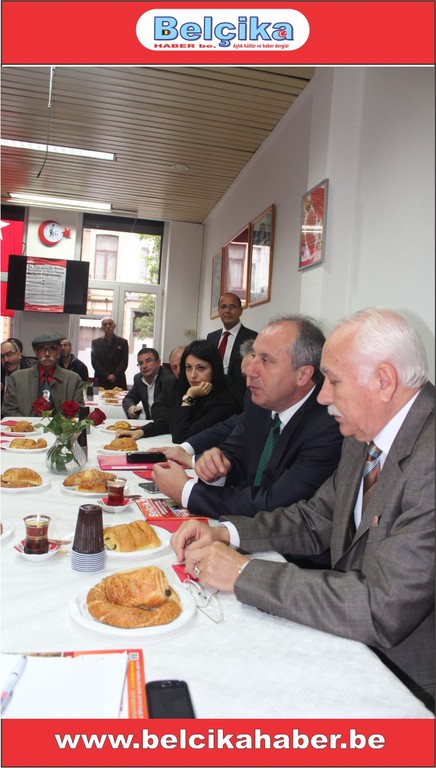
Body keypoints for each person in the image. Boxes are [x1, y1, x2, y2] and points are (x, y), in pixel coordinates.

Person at [171, 308, 435, 711]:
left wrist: (242, 572)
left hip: (406, 683)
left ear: (384, 381)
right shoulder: (364, 434)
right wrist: (226, 532)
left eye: (333, 381)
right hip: (346, 637)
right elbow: (316, 518)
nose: (323, 396)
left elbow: (380, 607)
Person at [154, 317, 343, 555]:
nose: (250, 371)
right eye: (254, 356)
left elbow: (276, 504)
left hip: (291, 555)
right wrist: (217, 466)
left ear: (303, 375)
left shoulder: (329, 425)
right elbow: (234, 452)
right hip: (244, 531)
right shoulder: (258, 401)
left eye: (266, 360)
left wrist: (188, 492)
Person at [122, 340, 243, 444]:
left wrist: (189, 396)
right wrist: (141, 431)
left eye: (201, 368)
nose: (193, 375)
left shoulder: (225, 400)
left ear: (214, 368)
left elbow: (180, 436)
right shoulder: (188, 387)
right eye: (188, 367)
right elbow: (170, 421)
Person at [2, 331, 84, 416]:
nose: (47, 354)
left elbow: (79, 412)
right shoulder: (17, 379)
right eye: (41, 349)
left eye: (52, 348)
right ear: (35, 351)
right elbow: (9, 410)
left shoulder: (73, 380)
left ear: (59, 350)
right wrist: (26, 423)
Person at [207, 292, 257, 396]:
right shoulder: (211, 337)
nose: (227, 311)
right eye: (223, 307)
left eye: (232, 306)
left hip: (240, 396)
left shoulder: (253, 337)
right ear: (219, 311)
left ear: (240, 311)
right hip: (213, 394)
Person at [122, 347, 172, 419]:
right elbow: (129, 398)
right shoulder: (138, 379)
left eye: (148, 361)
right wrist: (131, 407)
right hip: (150, 421)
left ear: (158, 362)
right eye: (141, 363)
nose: (144, 366)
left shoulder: (168, 379)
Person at [91, 317, 128, 389]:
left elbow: (124, 361)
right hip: (101, 379)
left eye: (110, 324)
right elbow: (95, 362)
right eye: (105, 324)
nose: (108, 326)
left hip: (118, 379)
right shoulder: (96, 343)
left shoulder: (123, 342)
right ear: (102, 327)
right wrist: (107, 375)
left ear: (114, 326)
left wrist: (114, 375)